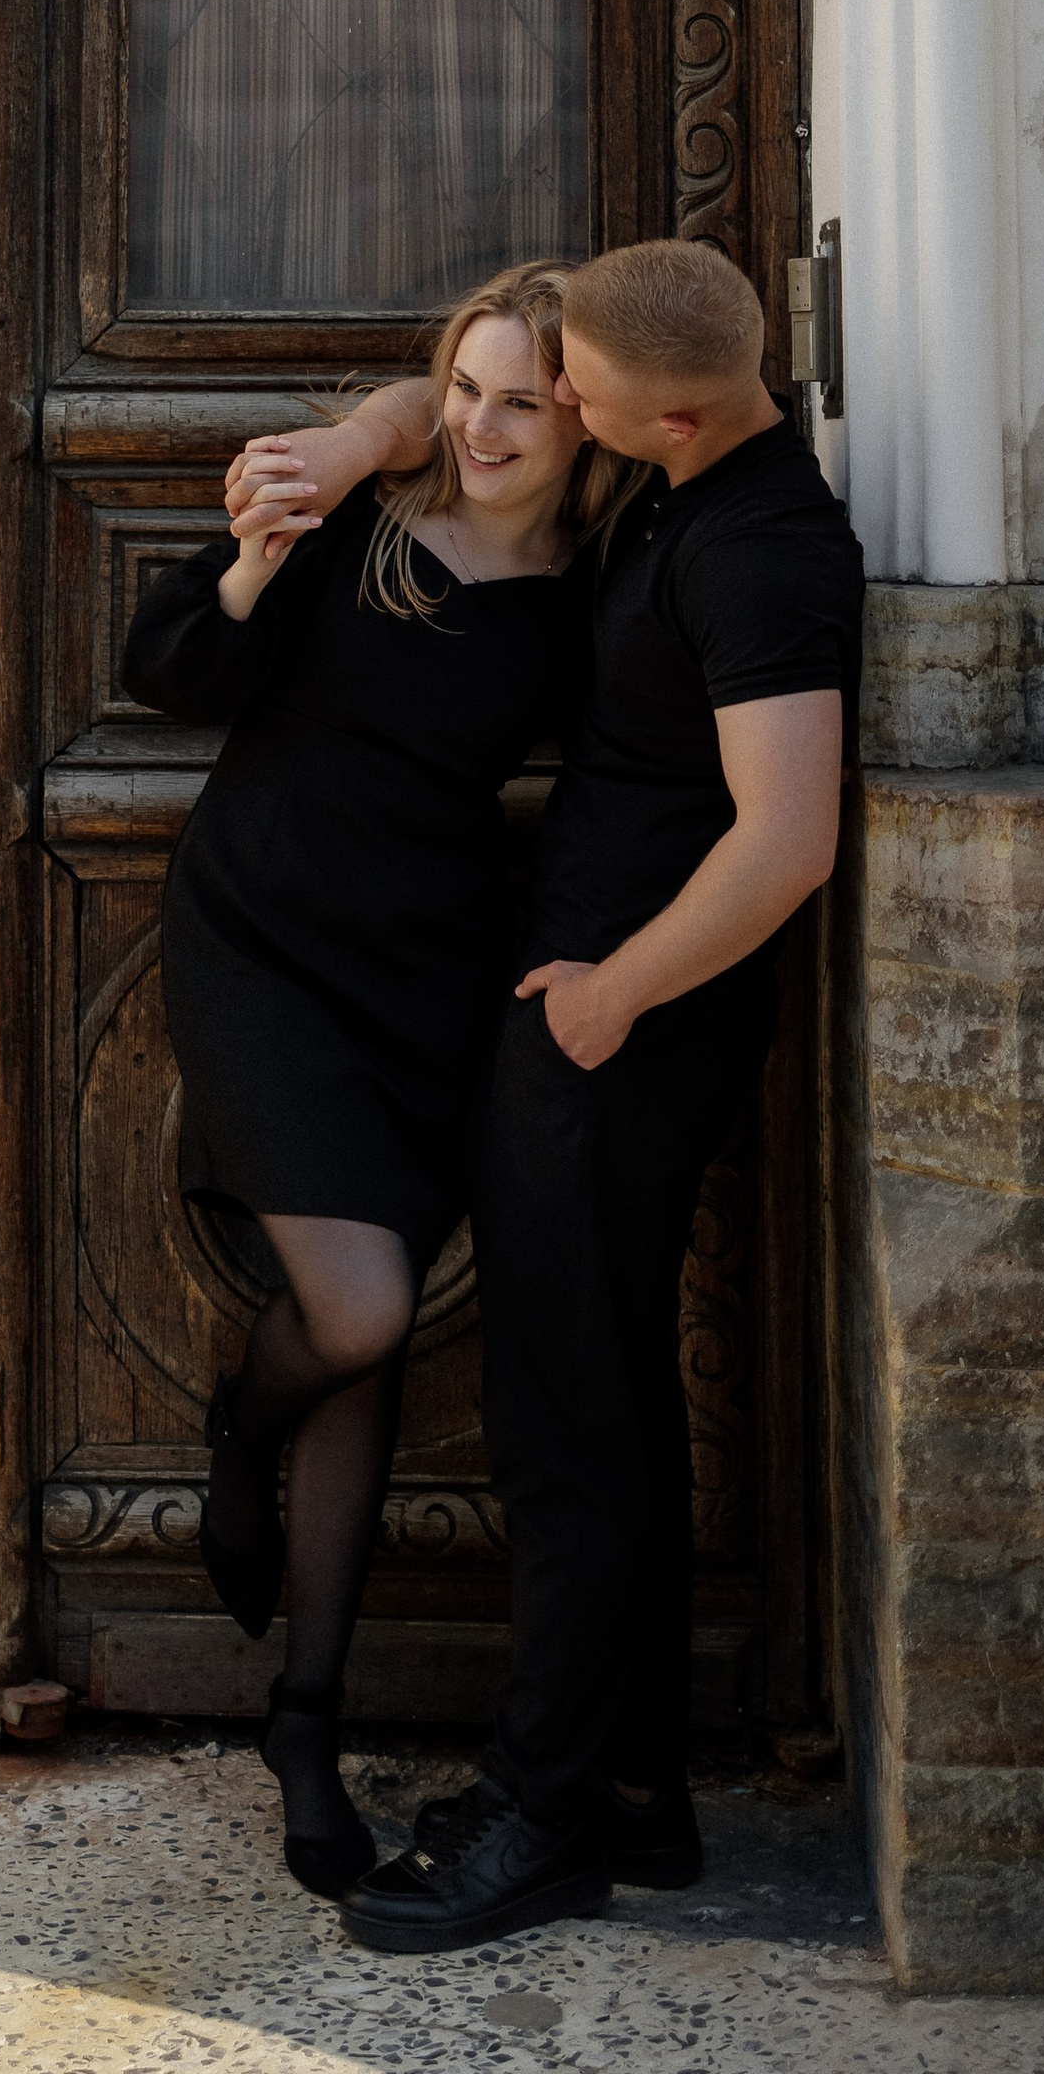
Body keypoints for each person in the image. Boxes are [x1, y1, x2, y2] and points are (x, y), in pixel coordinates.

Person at [222, 237, 865, 1957]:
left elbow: (786, 839)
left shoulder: (767, 552)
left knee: (567, 1440)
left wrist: (608, 998)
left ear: (656, 407)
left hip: (619, 1035)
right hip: (575, 1018)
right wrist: (363, 447)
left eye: (570, 386)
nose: (547, 407)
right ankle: (637, 1788)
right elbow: (440, 402)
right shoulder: (684, 463)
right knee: (606, 1417)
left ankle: (546, 1817)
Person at [121, 264, 628, 1899]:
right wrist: (266, 558)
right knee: (353, 1312)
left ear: (584, 421)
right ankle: (232, 1428)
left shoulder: (592, 586)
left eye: (524, 401)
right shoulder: (357, 511)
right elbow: (168, 670)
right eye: (467, 390)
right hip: (261, 937)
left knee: (376, 1334)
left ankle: (305, 1722)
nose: (483, 426)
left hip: (424, 978)